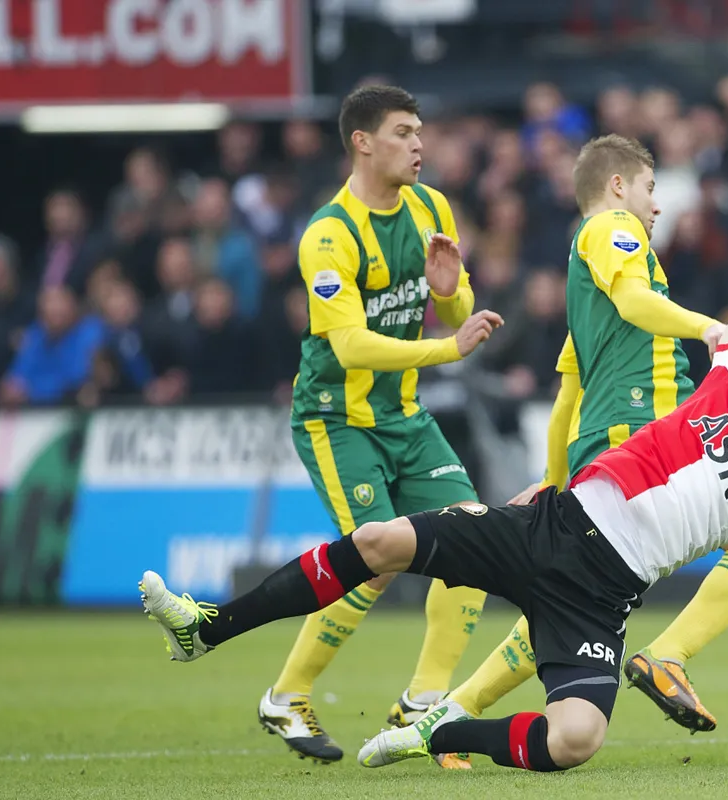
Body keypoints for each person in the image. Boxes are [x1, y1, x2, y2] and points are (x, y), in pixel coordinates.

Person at [138, 220, 728, 772]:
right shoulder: (726, 374)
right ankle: (207, 628)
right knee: (380, 543)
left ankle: (440, 731)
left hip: (603, 596)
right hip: (552, 526)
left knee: (577, 739)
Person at [446, 134, 728, 736]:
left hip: (633, 442)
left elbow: (565, 400)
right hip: (639, 442)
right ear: (619, 186)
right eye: (651, 189)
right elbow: (636, 300)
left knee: (573, 596)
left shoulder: (591, 296)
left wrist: (552, 488)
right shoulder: (610, 232)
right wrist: (713, 330)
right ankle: (662, 658)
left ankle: (452, 708)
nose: (657, 206)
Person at [256, 84, 503, 766]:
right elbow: (350, 347)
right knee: (378, 559)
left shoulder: (431, 207)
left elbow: (456, 311)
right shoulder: (328, 235)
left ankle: (422, 702)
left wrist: (452, 294)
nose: (419, 143)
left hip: (402, 415)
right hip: (336, 418)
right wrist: (443, 350)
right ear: (362, 142)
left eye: (419, 130)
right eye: (402, 132)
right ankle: (286, 696)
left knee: (473, 540)